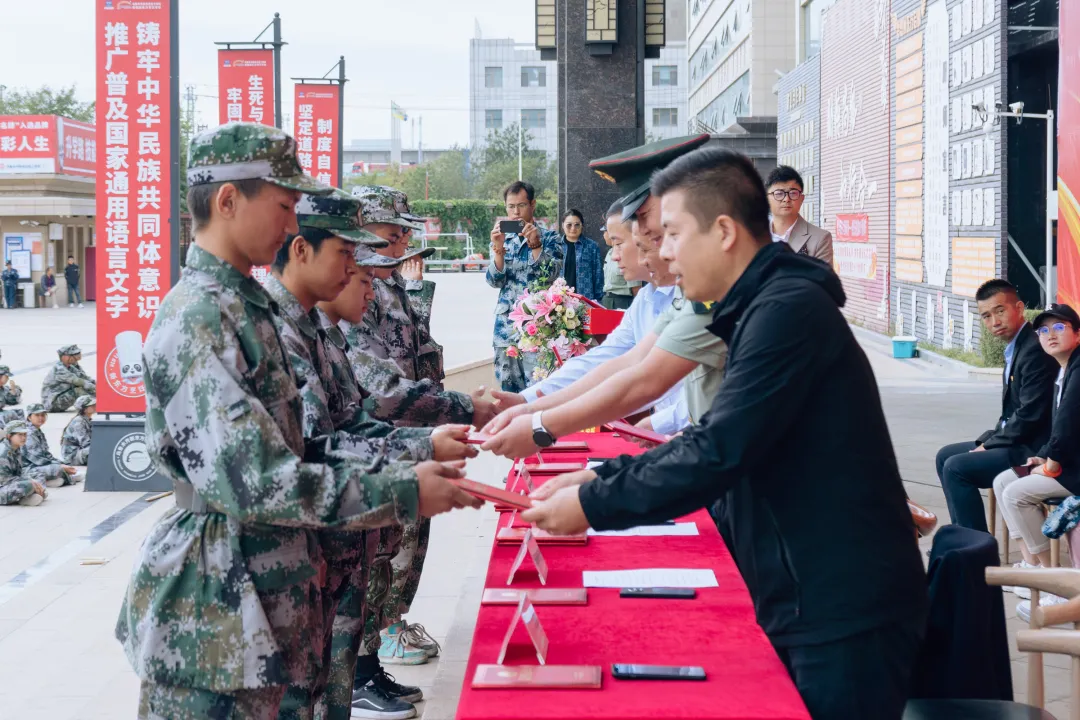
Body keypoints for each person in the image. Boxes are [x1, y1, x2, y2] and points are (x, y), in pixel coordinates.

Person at [522, 148, 928, 720]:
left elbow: (719, 449)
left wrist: (592, 502)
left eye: (672, 234)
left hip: (839, 604)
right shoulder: (759, 305)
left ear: (724, 231)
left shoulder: (786, 310)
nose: (661, 252)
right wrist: (600, 473)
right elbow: (713, 431)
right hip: (805, 587)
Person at [113, 122, 481, 718]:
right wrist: (402, 489)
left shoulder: (242, 308)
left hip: (265, 596)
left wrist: (413, 457)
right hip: (216, 617)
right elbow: (255, 478)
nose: (291, 226)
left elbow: (309, 444)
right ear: (228, 201)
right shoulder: (202, 318)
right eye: (284, 206)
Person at [264, 187, 478, 719]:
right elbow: (314, 452)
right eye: (346, 255)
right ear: (300, 250)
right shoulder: (275, 333)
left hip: (328, 552)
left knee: (328, 695)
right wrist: (409, 477)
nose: (355, 269)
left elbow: (354, 419)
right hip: (287, 560)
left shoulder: (315, 330)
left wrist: (426, 443)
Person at [484, 135, 715, 447]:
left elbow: (645, 379)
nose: (657, 246)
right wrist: (530, 405)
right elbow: (615, 361)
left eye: (661, 234)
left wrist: (540, 424)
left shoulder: (725, 290)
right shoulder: (659, 297)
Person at [937, 279, 1058, 532]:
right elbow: (1010, 414)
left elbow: (1030, 415)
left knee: (956, 468)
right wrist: (988, 440)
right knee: (945, 456)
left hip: (1033, 448)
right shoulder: (1016, 347)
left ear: (1019, 308)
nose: (994, 321)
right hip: (1016, 440)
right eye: (986, 316)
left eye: (1000, 311)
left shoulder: (1034, 348)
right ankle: (964, 539)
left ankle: (977, 552)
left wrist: (988, 445)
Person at [993, 304, 1080, 574]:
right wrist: (1042, 454)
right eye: (1043, 330)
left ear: (1078, 333)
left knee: (1016, 494)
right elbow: (1060, 429)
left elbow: (1067, 427)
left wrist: (1050, 463)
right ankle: (1030, 564)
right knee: (1002, 481)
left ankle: (1050, 576)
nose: (1049, 334)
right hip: (1070, 463)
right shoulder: (1064, 370)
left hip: (1075, 470)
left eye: (1059, 327)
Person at [486, 180, 564, 392]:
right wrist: (498, 249)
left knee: (538, 391)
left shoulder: (549, 237)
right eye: (511, 207)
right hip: (506, 329)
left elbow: (551, 276)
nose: (516, 212)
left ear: (533, 205)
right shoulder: (501, 238)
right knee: (508, 393)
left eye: (521, 205)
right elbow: (494, 281)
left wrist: (536, 245)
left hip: (537, 329)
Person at [766, 166, 833, 264]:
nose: (786, 199)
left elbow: (823, 279)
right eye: (779, 193)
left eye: (793, 193)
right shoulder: (751, 235)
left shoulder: (820, 238)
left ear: (802, 199)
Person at [21, 403, 79, 487]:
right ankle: (40, 481)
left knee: (65, 467)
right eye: (37, 415)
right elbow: (38, 459)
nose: (41, 418)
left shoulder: (37, 431)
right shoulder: (29, 434)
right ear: (29, 417)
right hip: (27, 469)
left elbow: (46, 454)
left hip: (36, 466)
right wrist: (59, 466)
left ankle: (51, 479)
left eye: (43, 415)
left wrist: (61, 463)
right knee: (58, 469)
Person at [558, 209, 604, 302]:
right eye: (569, 225)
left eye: (577, 225)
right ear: (563, 225)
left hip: (584, 299)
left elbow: (598, 275)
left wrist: (598, 300)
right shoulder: (556, 246)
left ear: (582, 225)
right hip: (559, 300)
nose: (573, 228)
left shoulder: (592, 247)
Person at [0, 421, 47, 507]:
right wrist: (29, 482)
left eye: (25, 434)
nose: (23, 438)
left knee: (38, 475)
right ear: (9, 436)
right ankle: (26, 497)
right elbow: (5, 480)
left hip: (11, 483)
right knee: (28, 485)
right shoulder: (3, 453)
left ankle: (31, 494)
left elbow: (19, 473)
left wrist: (31, 480)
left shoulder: (16, 447)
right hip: (3, 486)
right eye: (20, 435)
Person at [600, 213, 641, 310]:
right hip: (607, 300)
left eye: (605, 232)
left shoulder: (626, 254)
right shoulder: (610, 253)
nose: (603, 235)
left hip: (622, 302)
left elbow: (636, 288)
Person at [41, 344, 96, 412]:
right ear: (65, 357)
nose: (77, 356)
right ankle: (96, 405)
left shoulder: (71, 366)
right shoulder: (59, 369)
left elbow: (85, 378)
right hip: (52, 404)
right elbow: (80, 381)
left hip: (60, 397)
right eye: (74, 354)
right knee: (78, 390)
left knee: (87, 388)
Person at [61, 395, 95, 466]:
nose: (94, 406)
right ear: (84, 409)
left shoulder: (86, 420)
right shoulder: (79, 422)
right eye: (91, 405)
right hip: (72, 456)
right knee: (98, 450)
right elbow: (86, 443)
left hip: (79, 452)